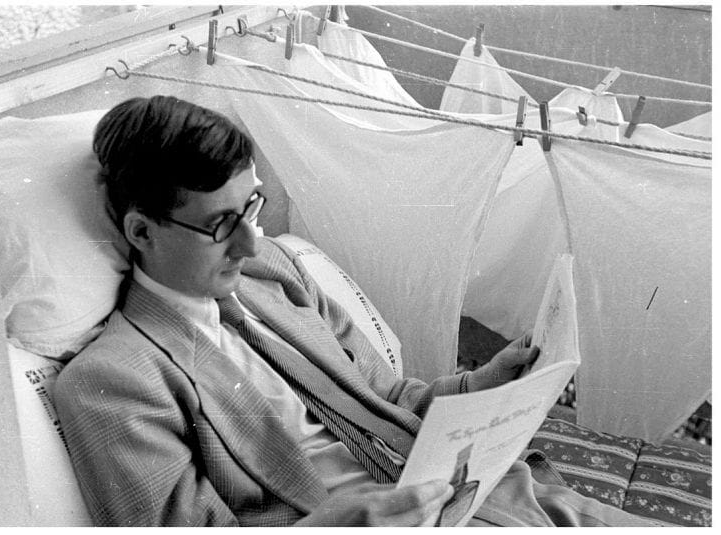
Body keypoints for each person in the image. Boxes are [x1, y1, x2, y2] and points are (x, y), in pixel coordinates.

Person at [53, 96, 653, 527]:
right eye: (221, 226)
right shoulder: (113, 382)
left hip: (487, 496)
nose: (252, 243)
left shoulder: (277, 276)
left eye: (252, 207)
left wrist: (484, 384)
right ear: (141, 232)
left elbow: (390, 397)